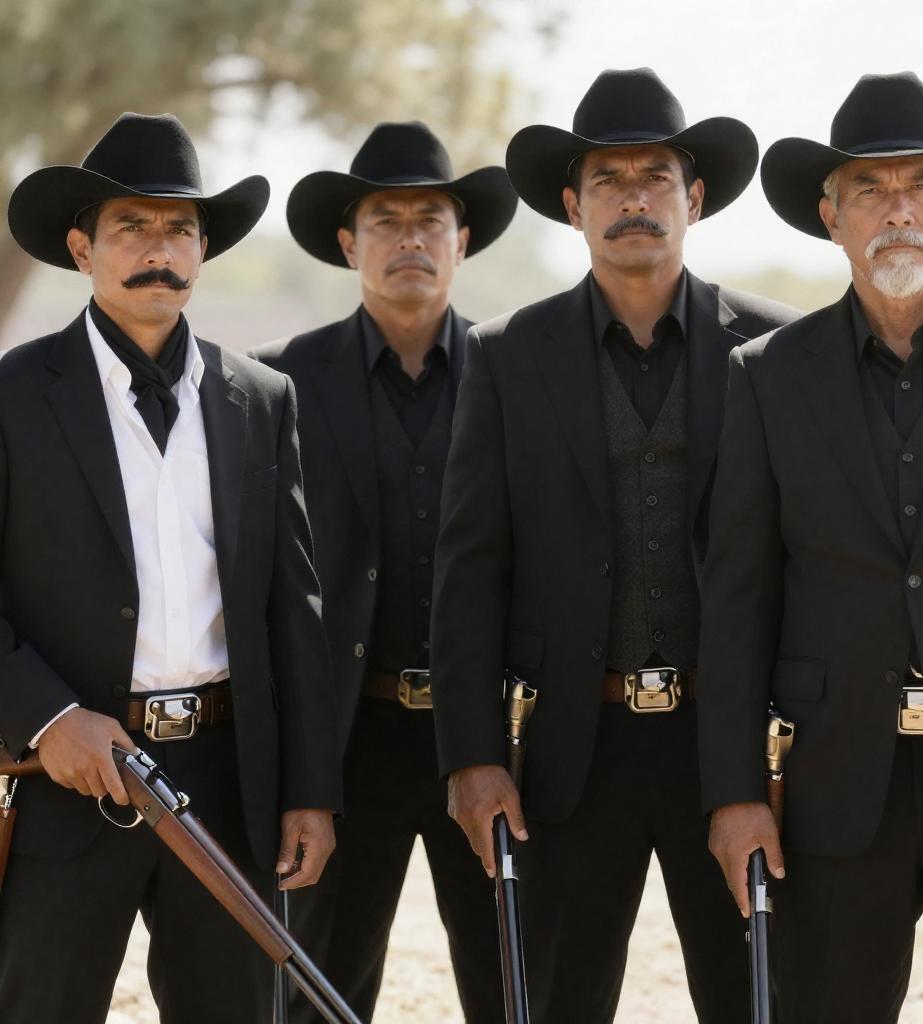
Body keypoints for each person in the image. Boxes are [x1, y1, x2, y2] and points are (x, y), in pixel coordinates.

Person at [430, 67, 800, 1024]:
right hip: (569, 750)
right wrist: (472, 754)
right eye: (607, 180)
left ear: (694, 198)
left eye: (654, 177)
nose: (633, 198)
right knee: (554, 1002)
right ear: (573, 205)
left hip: (730, 748)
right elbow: (469, 570)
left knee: (759, 999)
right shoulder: (507, 355)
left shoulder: (776, 351)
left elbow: (803, 565)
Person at [0, 112, 341, 1024]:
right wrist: (49, 719)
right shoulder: (13, 396)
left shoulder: (262, 400)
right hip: (68, 781)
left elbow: (293, 610)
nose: (159, 250)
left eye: (179, 229)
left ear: (203, 249)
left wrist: (310, 793)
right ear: (82, 248)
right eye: (132, 227)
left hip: (227, 783)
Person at [698, 72, 923, 1023]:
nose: (899, 211)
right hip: (835, 789)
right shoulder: (768, 375)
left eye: (921, 185)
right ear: (831, 218)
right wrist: (734, 793)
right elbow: (739, 597)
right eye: (870, 190)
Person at [254, 120, 517, 1023]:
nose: (410, 239)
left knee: (514, 982)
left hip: (486, 739)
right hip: (341, 739)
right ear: (347, 242)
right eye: (386, 221)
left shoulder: (519, 373)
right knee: (316, 990)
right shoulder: (279, 385)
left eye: (430, 220)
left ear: (462, 240)